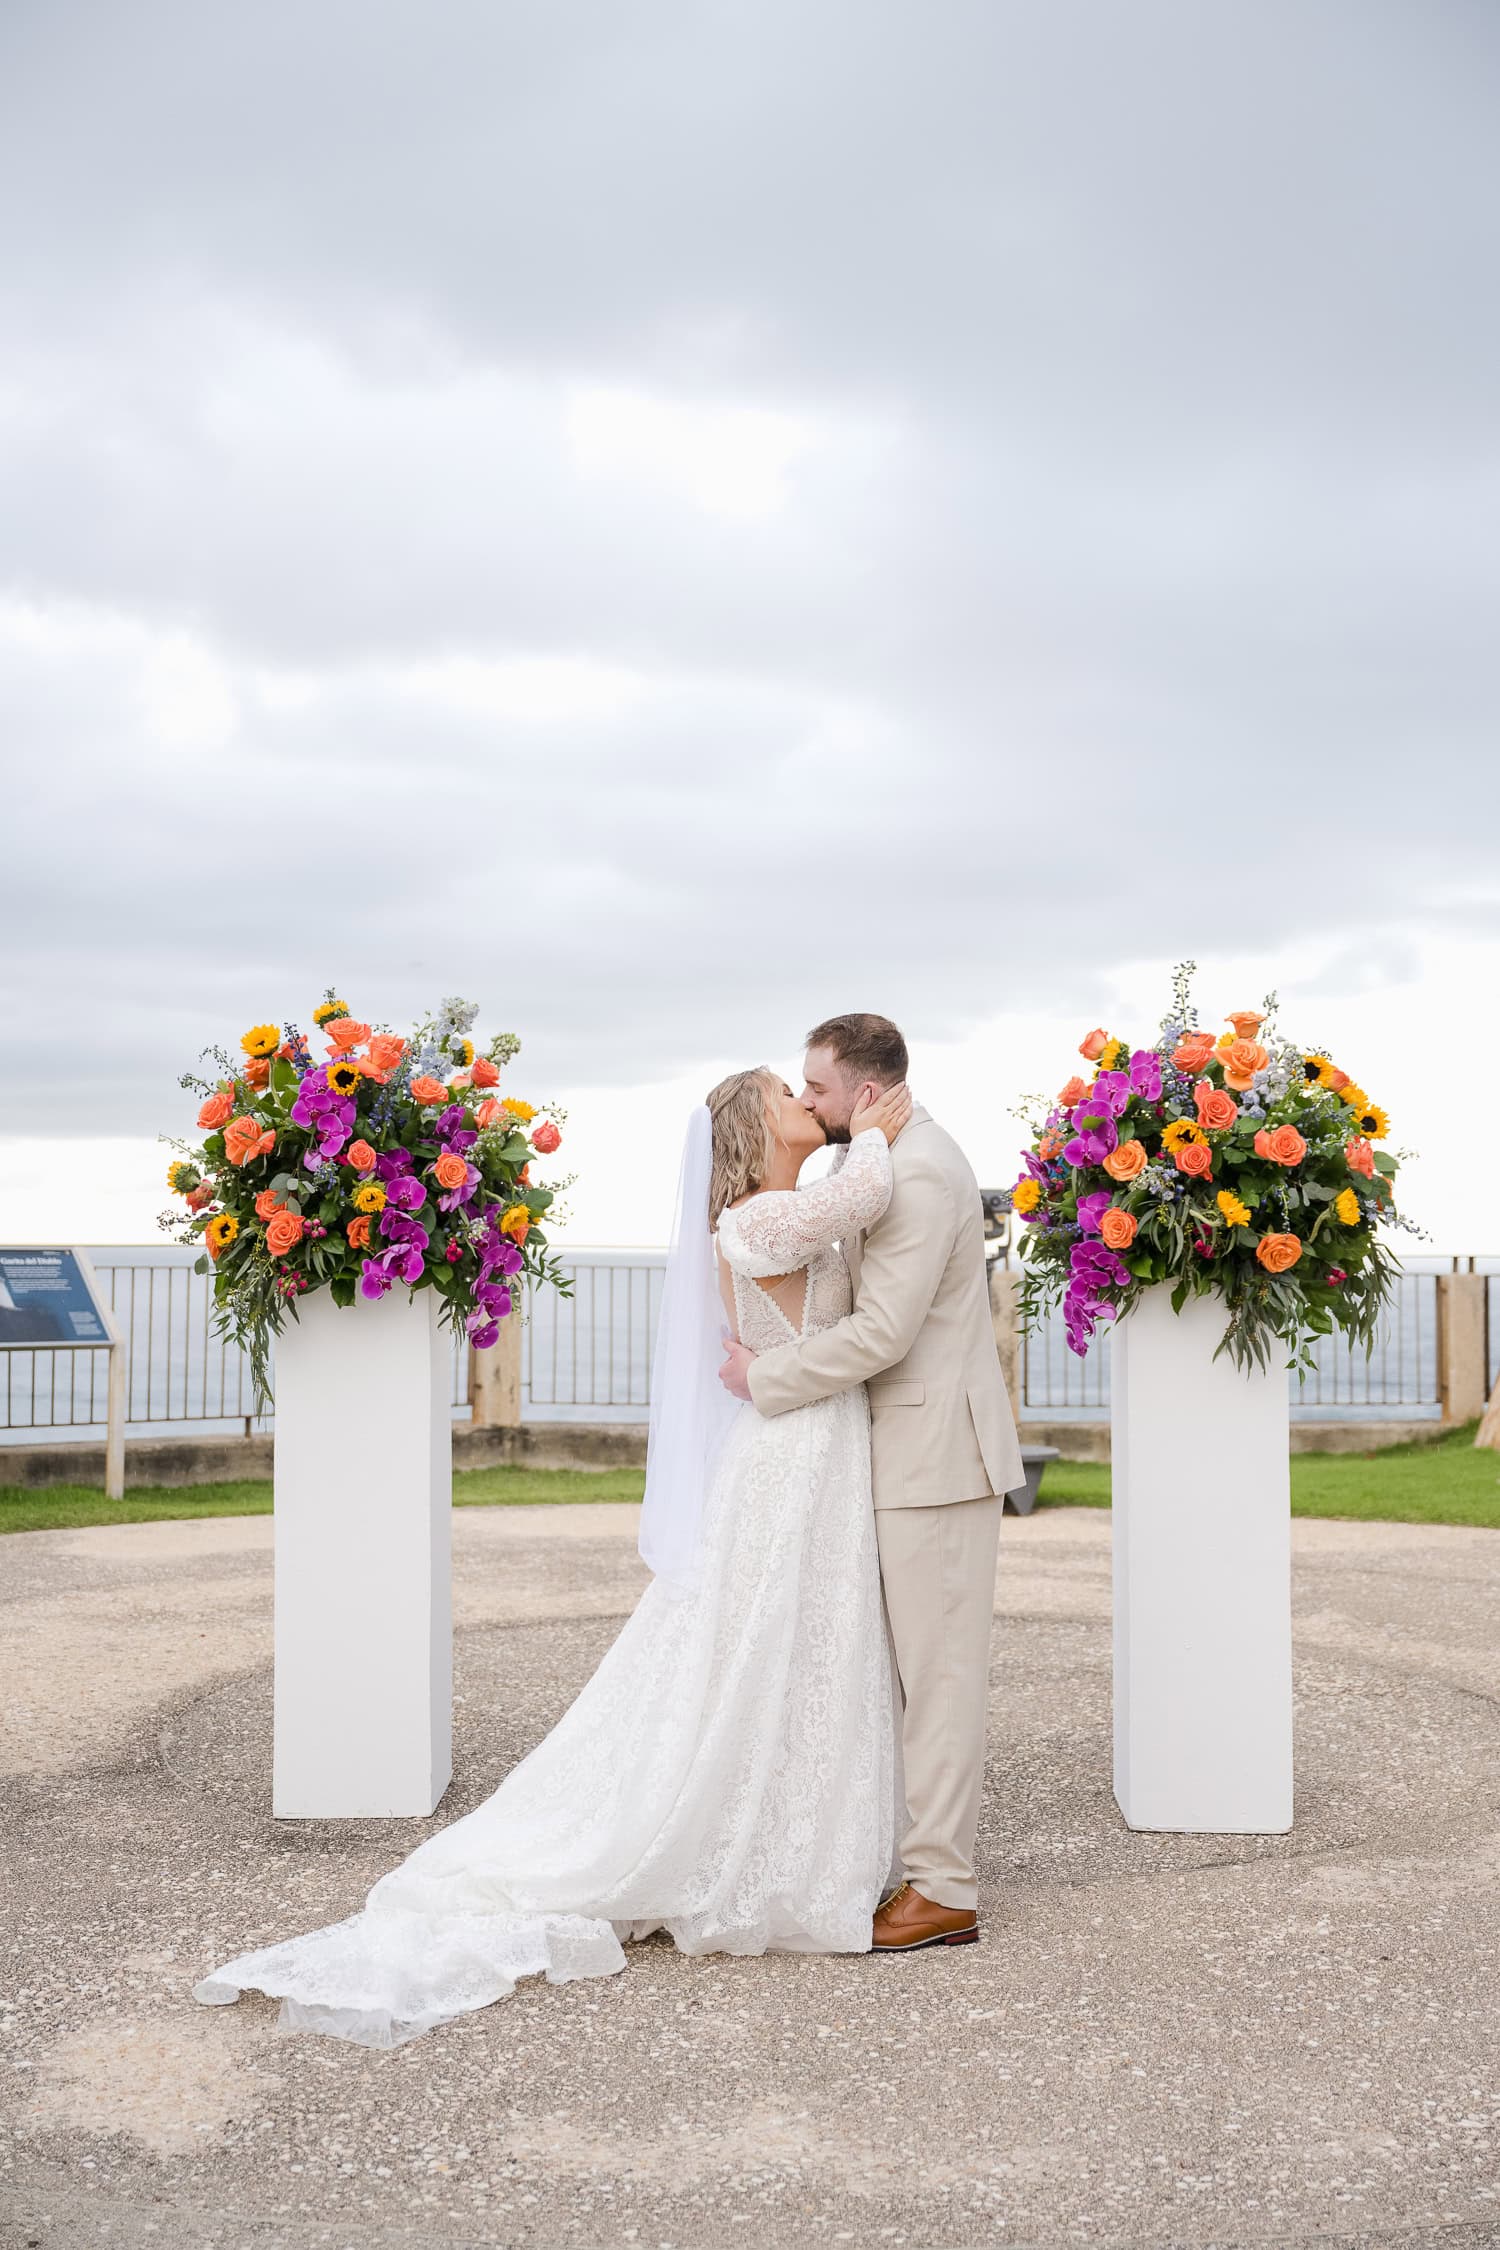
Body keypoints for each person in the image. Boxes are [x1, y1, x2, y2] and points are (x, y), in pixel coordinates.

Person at [192, 1070, 912, 2048]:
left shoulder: (796, 1207)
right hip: (785, 1457)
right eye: (789, 1091)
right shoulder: (749, 1222)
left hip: (819, 1445)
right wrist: (877, 1130)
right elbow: (859, 1193)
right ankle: (734, 1848)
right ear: (753, 1127)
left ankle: (812, 1836)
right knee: (750, 1647)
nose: (807, 1100)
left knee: (809, 1644)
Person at [719, 1013, 1024, 1951]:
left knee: (937, 1679)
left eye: (815, 1086)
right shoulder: (881, 1162)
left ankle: (944, 1889)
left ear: (861, 1090)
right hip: (896, 1454)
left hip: (935, 1457)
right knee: (880, 1673)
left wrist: (762, 1379)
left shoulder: (921, 1171)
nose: (806, 1101)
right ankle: (892, 1862)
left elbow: (886, 1334)